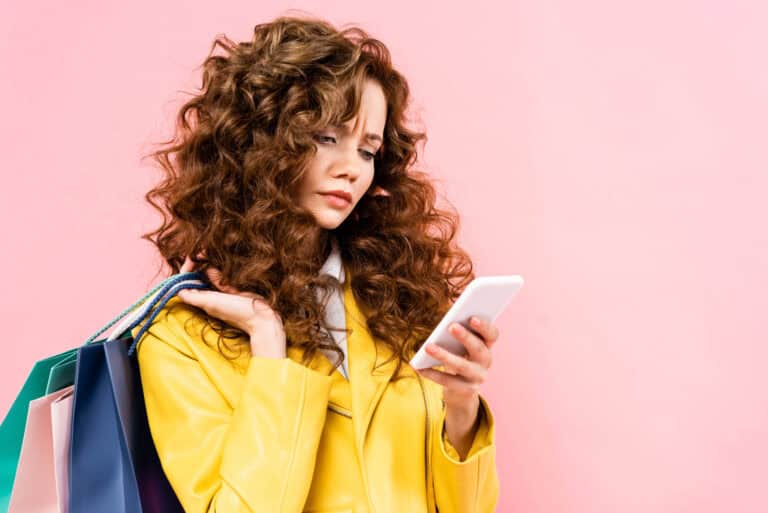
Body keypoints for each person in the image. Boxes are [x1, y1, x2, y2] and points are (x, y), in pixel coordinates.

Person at [131, 13, 501, 513]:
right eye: (326, 137)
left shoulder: (394, 298)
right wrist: (269, 348)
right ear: (258, 143)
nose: (351, 167)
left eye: (368, 149)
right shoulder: (178, 341)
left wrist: (461, 407)